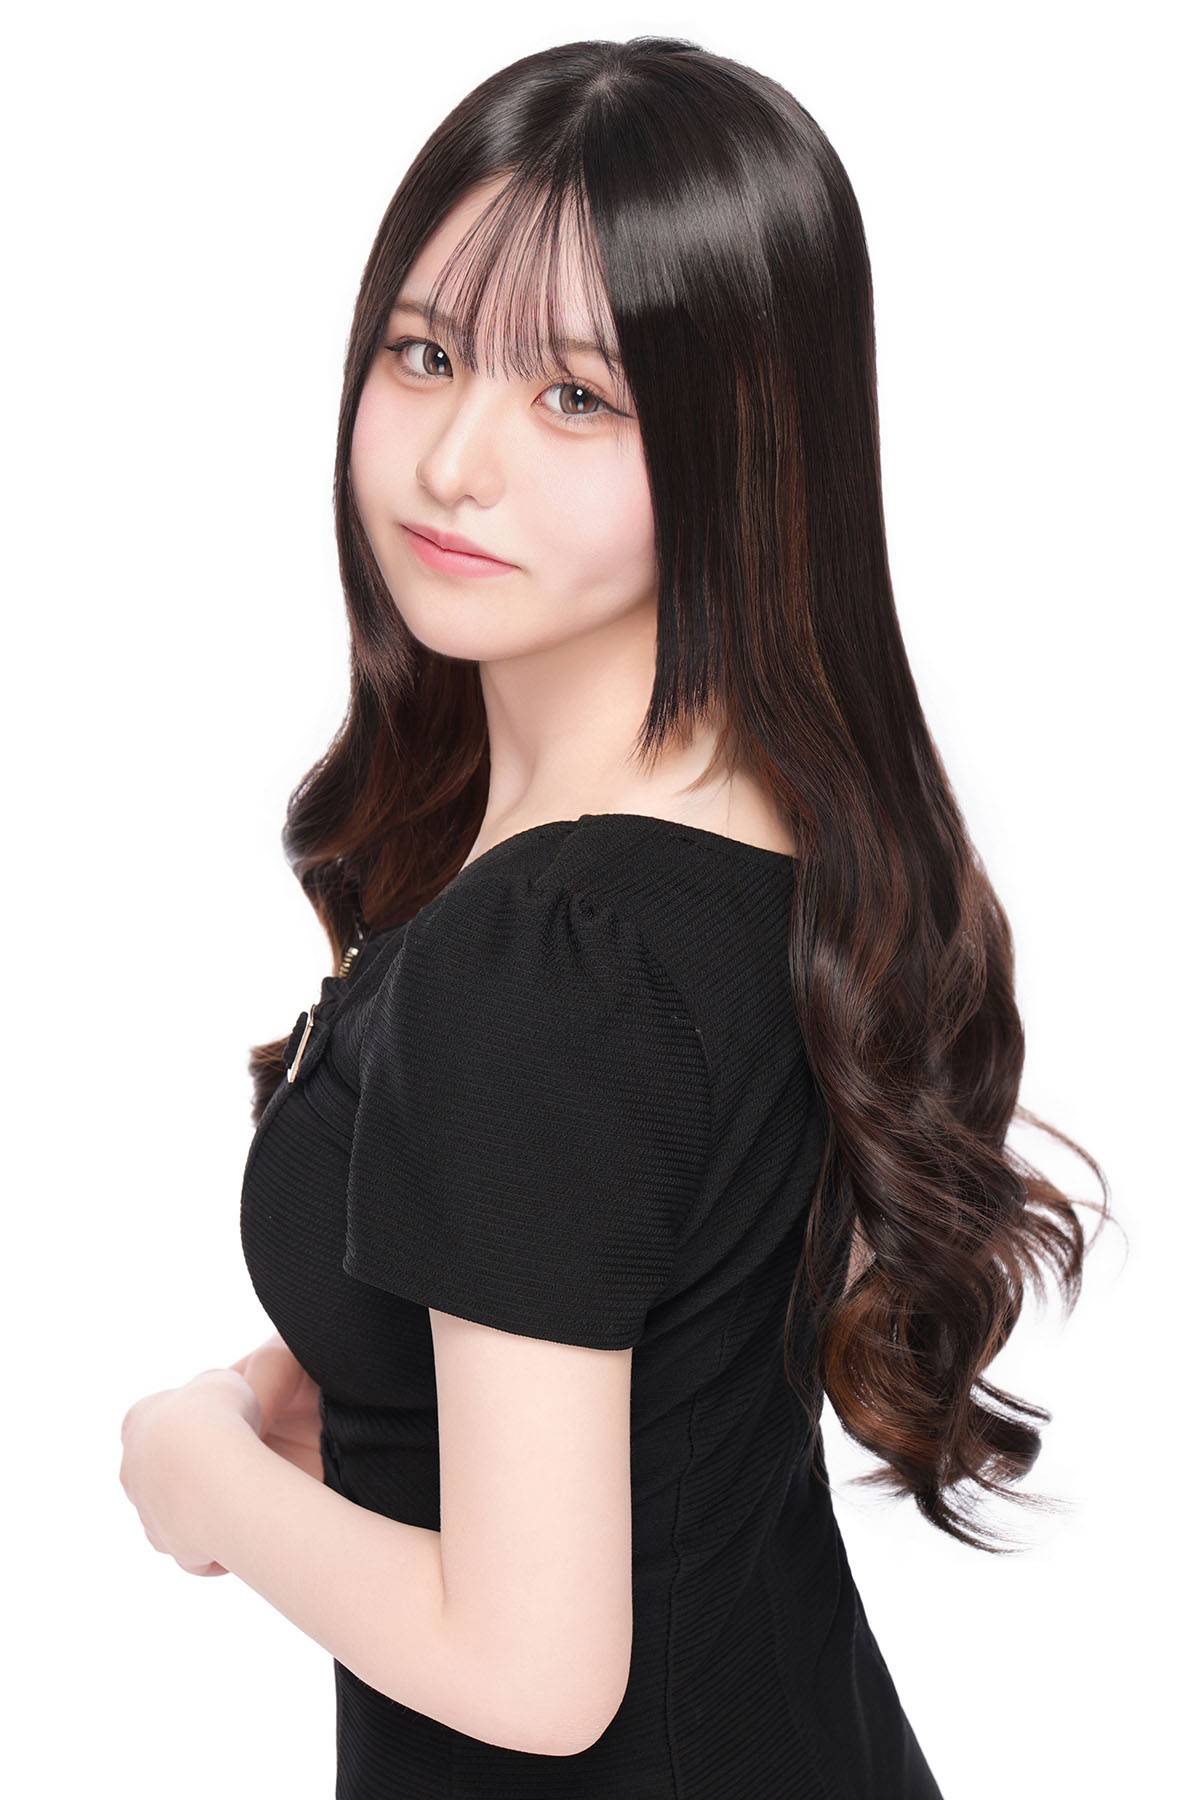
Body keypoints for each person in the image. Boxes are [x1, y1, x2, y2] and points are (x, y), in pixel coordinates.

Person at [118, 34, 1114, 1799]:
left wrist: (200, 1468)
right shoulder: (770, 838)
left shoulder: (552, 956)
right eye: (426, 356)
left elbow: (534, 1676)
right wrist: (341, 1358)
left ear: (745, 442)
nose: (456, 463)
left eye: (578, 399)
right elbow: (652, 1303)